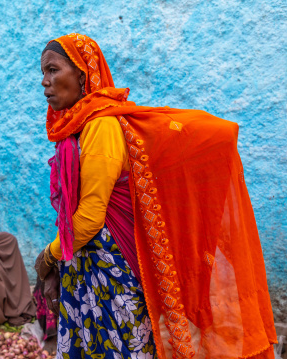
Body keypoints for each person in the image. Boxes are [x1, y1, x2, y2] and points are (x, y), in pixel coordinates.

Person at [35, 33, 276, 359]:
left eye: (53, 70)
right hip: (90, 263)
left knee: (118, 344)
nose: (45, 82)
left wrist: (49, 256)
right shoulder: (80, 126)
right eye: (43, 73)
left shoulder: (100, 126)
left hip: (110, 269)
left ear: (81, 74)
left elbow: (91, 217)